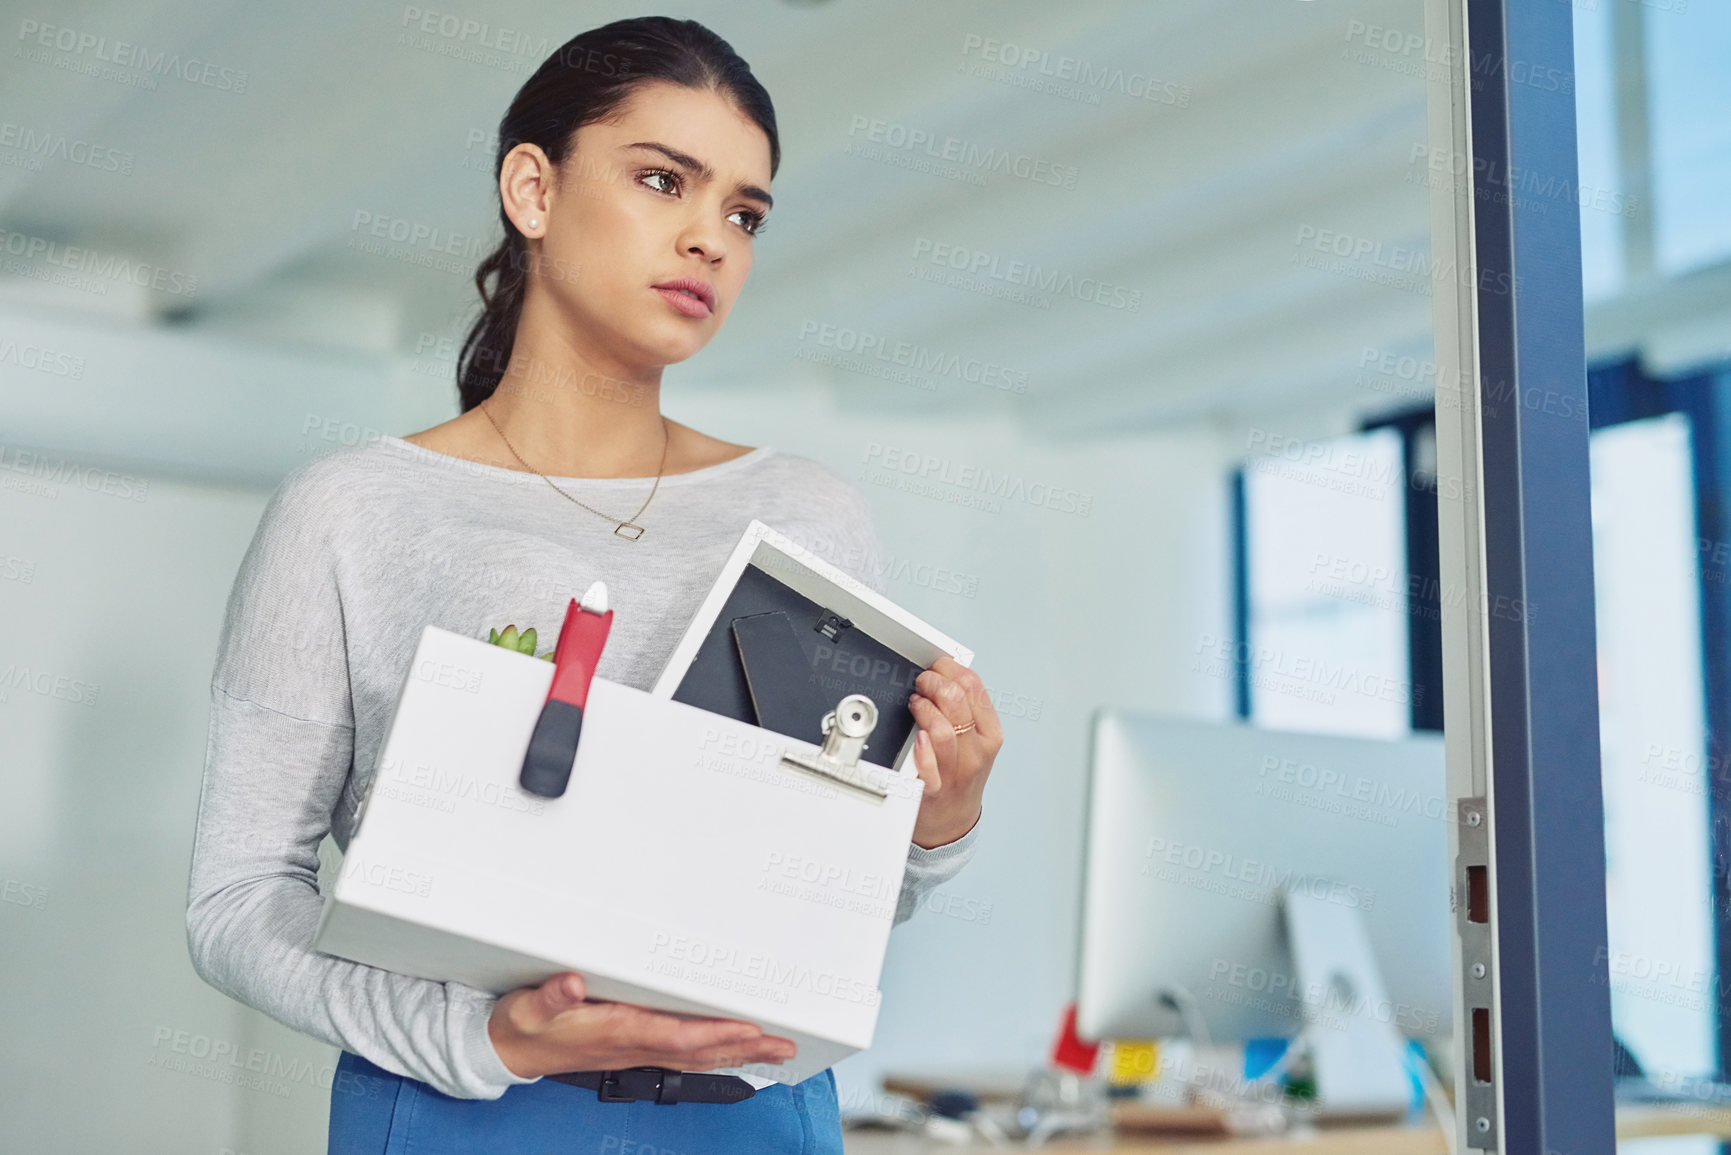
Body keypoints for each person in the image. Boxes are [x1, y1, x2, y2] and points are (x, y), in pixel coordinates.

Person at [183, 16, 1001, 1155]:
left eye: (744, 213)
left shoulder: (809, 515)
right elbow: (237, 903)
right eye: (665, 179)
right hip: (461, 1112)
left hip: (761, 1118)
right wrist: (486, 1042)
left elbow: (829, 906)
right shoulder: (351, 510)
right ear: (533, 187)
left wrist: (938, 824)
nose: (710, 239)